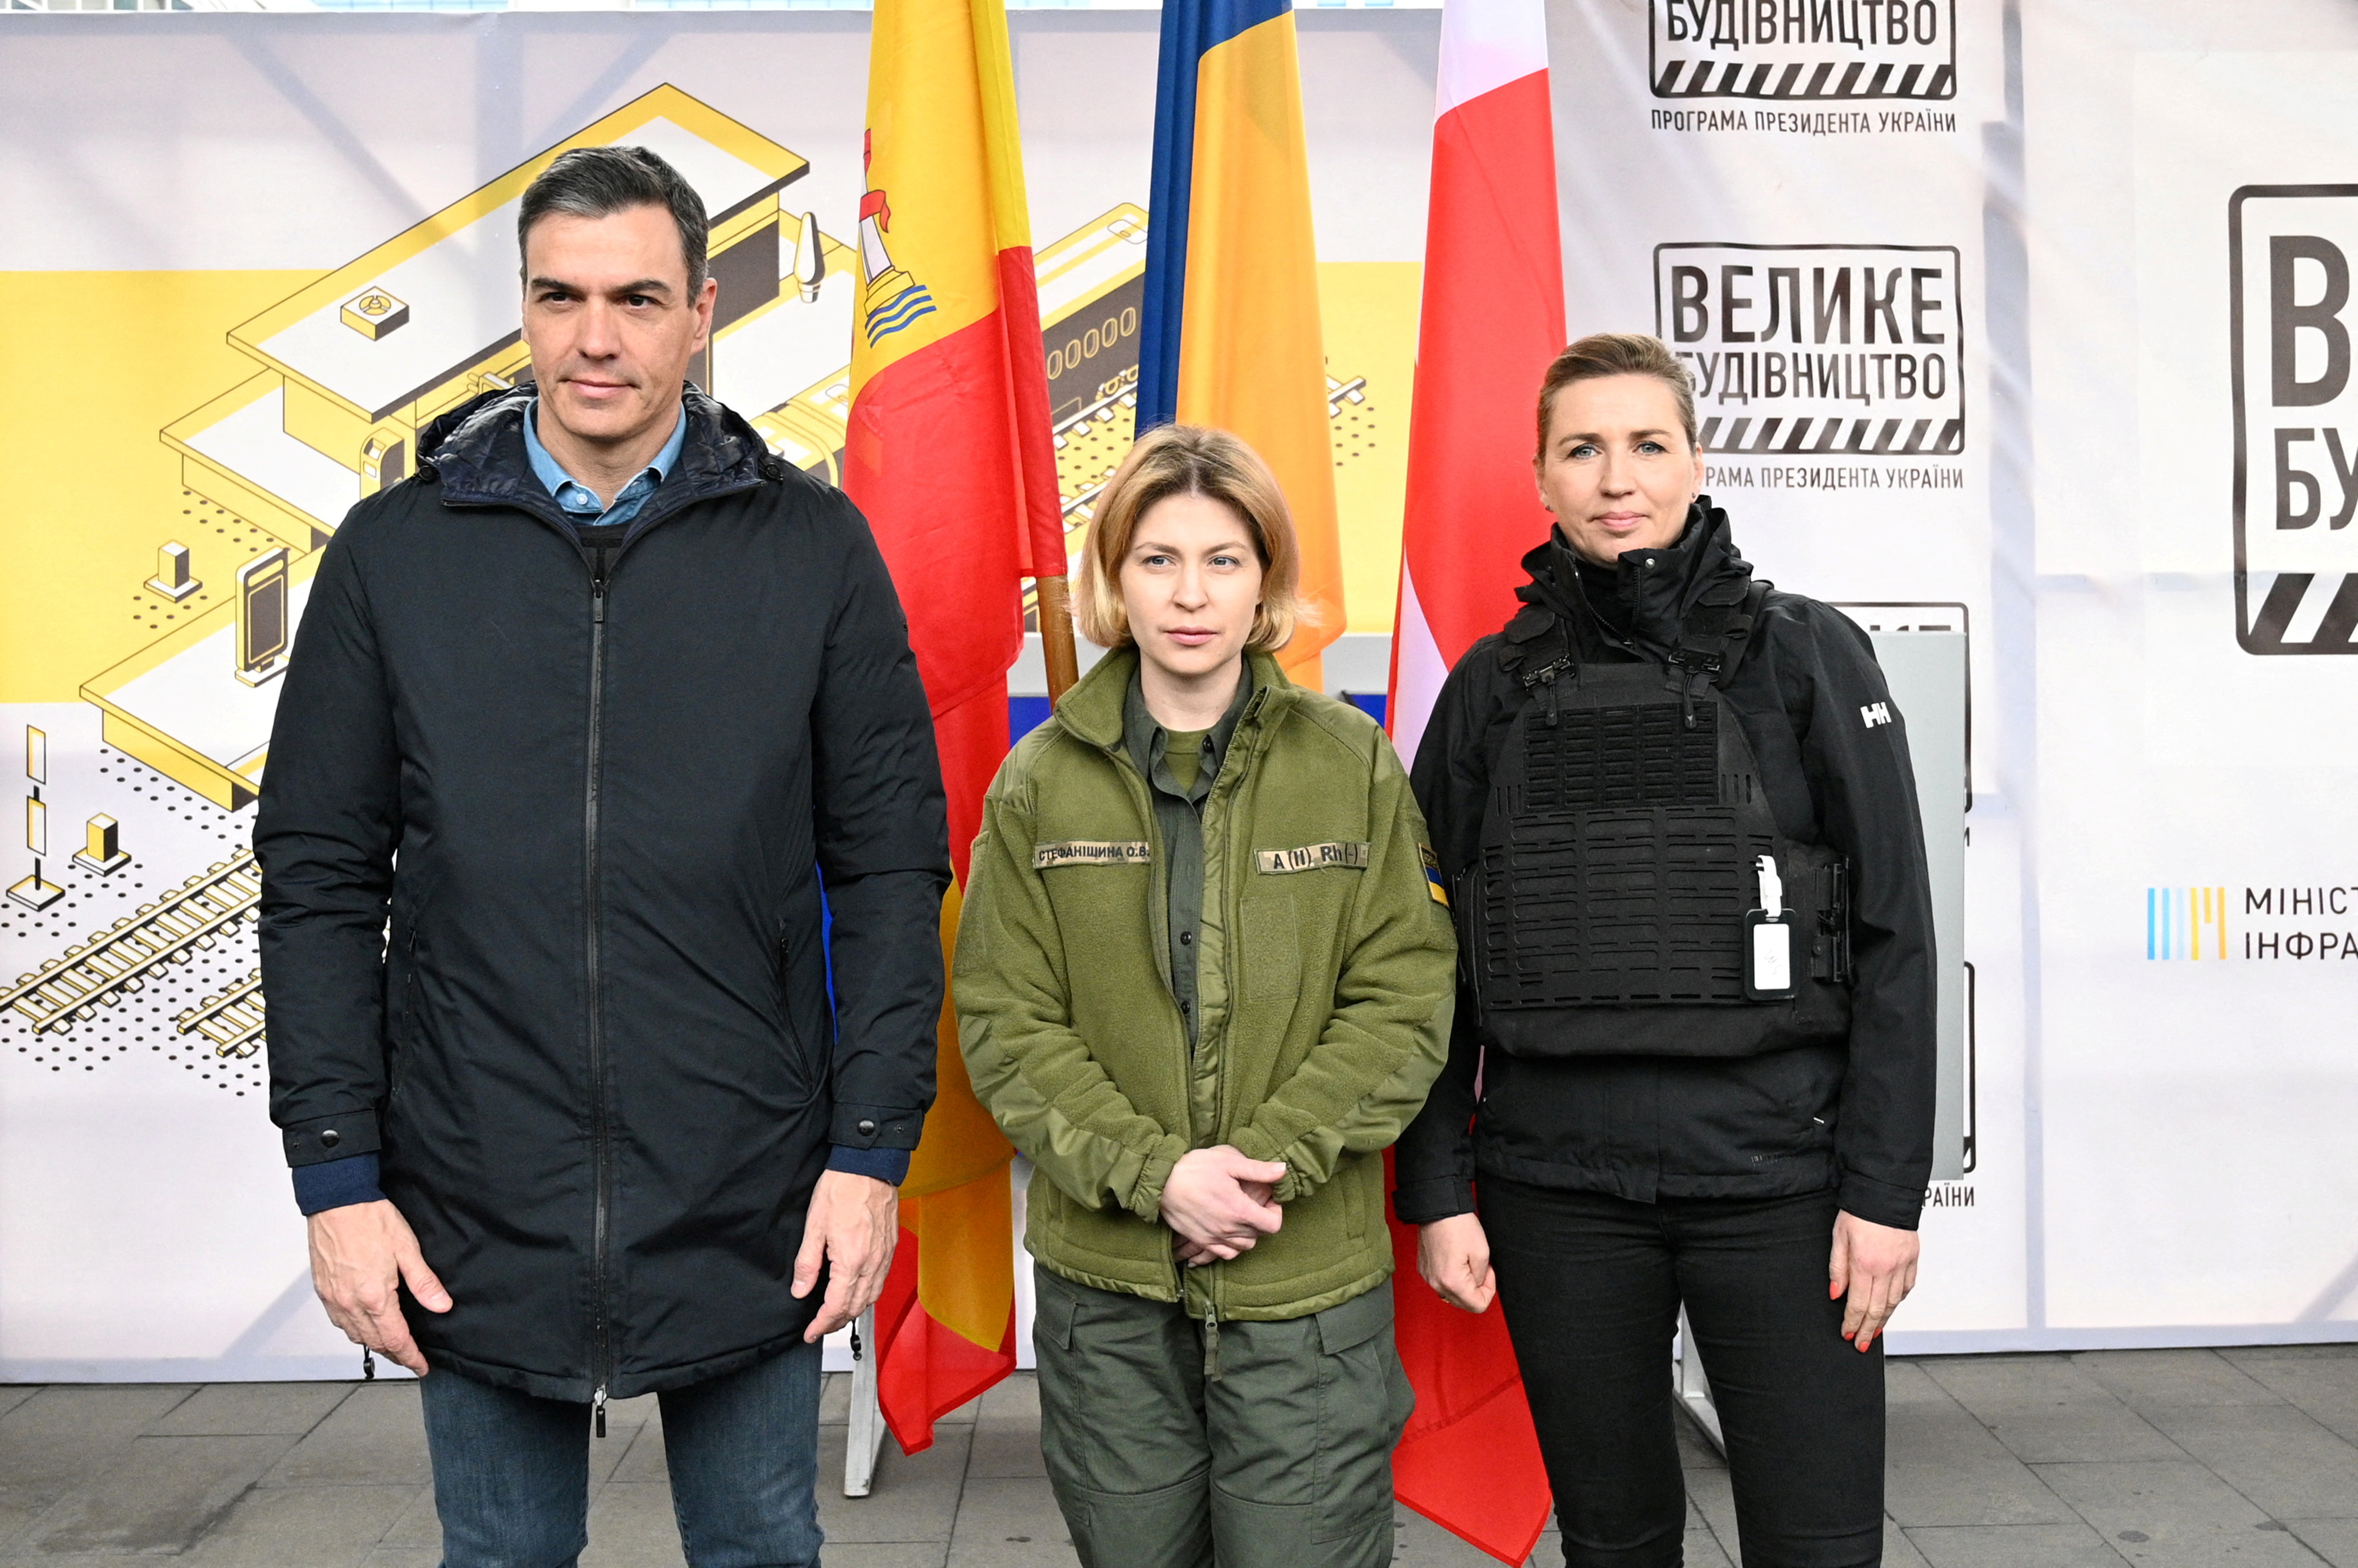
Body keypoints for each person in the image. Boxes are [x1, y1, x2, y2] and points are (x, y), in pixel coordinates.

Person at [257, 146, 949, 1568]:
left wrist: (869, 1149)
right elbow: (320, 879)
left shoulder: (812, 549)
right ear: (520, 309)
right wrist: (337, 1180)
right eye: (558, 296)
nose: (594, 338)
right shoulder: (395, 554)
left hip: (748, 1185)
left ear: (702, 311)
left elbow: (888, 868)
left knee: (761, 1548)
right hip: (470, 1188)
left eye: (636, 298)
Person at [1394, 333, 1936, 1568]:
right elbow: (1428, 960)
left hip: (1777, 1188)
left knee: (1815, 1544)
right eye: (1581, 448)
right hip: (1557, 1191)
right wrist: (1435, 1189)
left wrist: (1881, 1194)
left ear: (1696, 460)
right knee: (1613, 1542)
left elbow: (1896, 936)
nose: (1614, 475)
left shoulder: (1805, 656)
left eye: (1645, 443)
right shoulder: (1487, 690)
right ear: (1539, 476)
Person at [953, 425, 1458, 1568]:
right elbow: (1006, 1021)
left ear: (1265, 580)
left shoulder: (1349, 763)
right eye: (1157, 560)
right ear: (1113, 582)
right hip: (1108, 1299)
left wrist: (1261, 1164)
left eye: (1223, 560)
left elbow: (1403, 996)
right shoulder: (1038, 783)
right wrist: (1159, 1176)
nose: (1190, 594)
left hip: (1304, 1297)